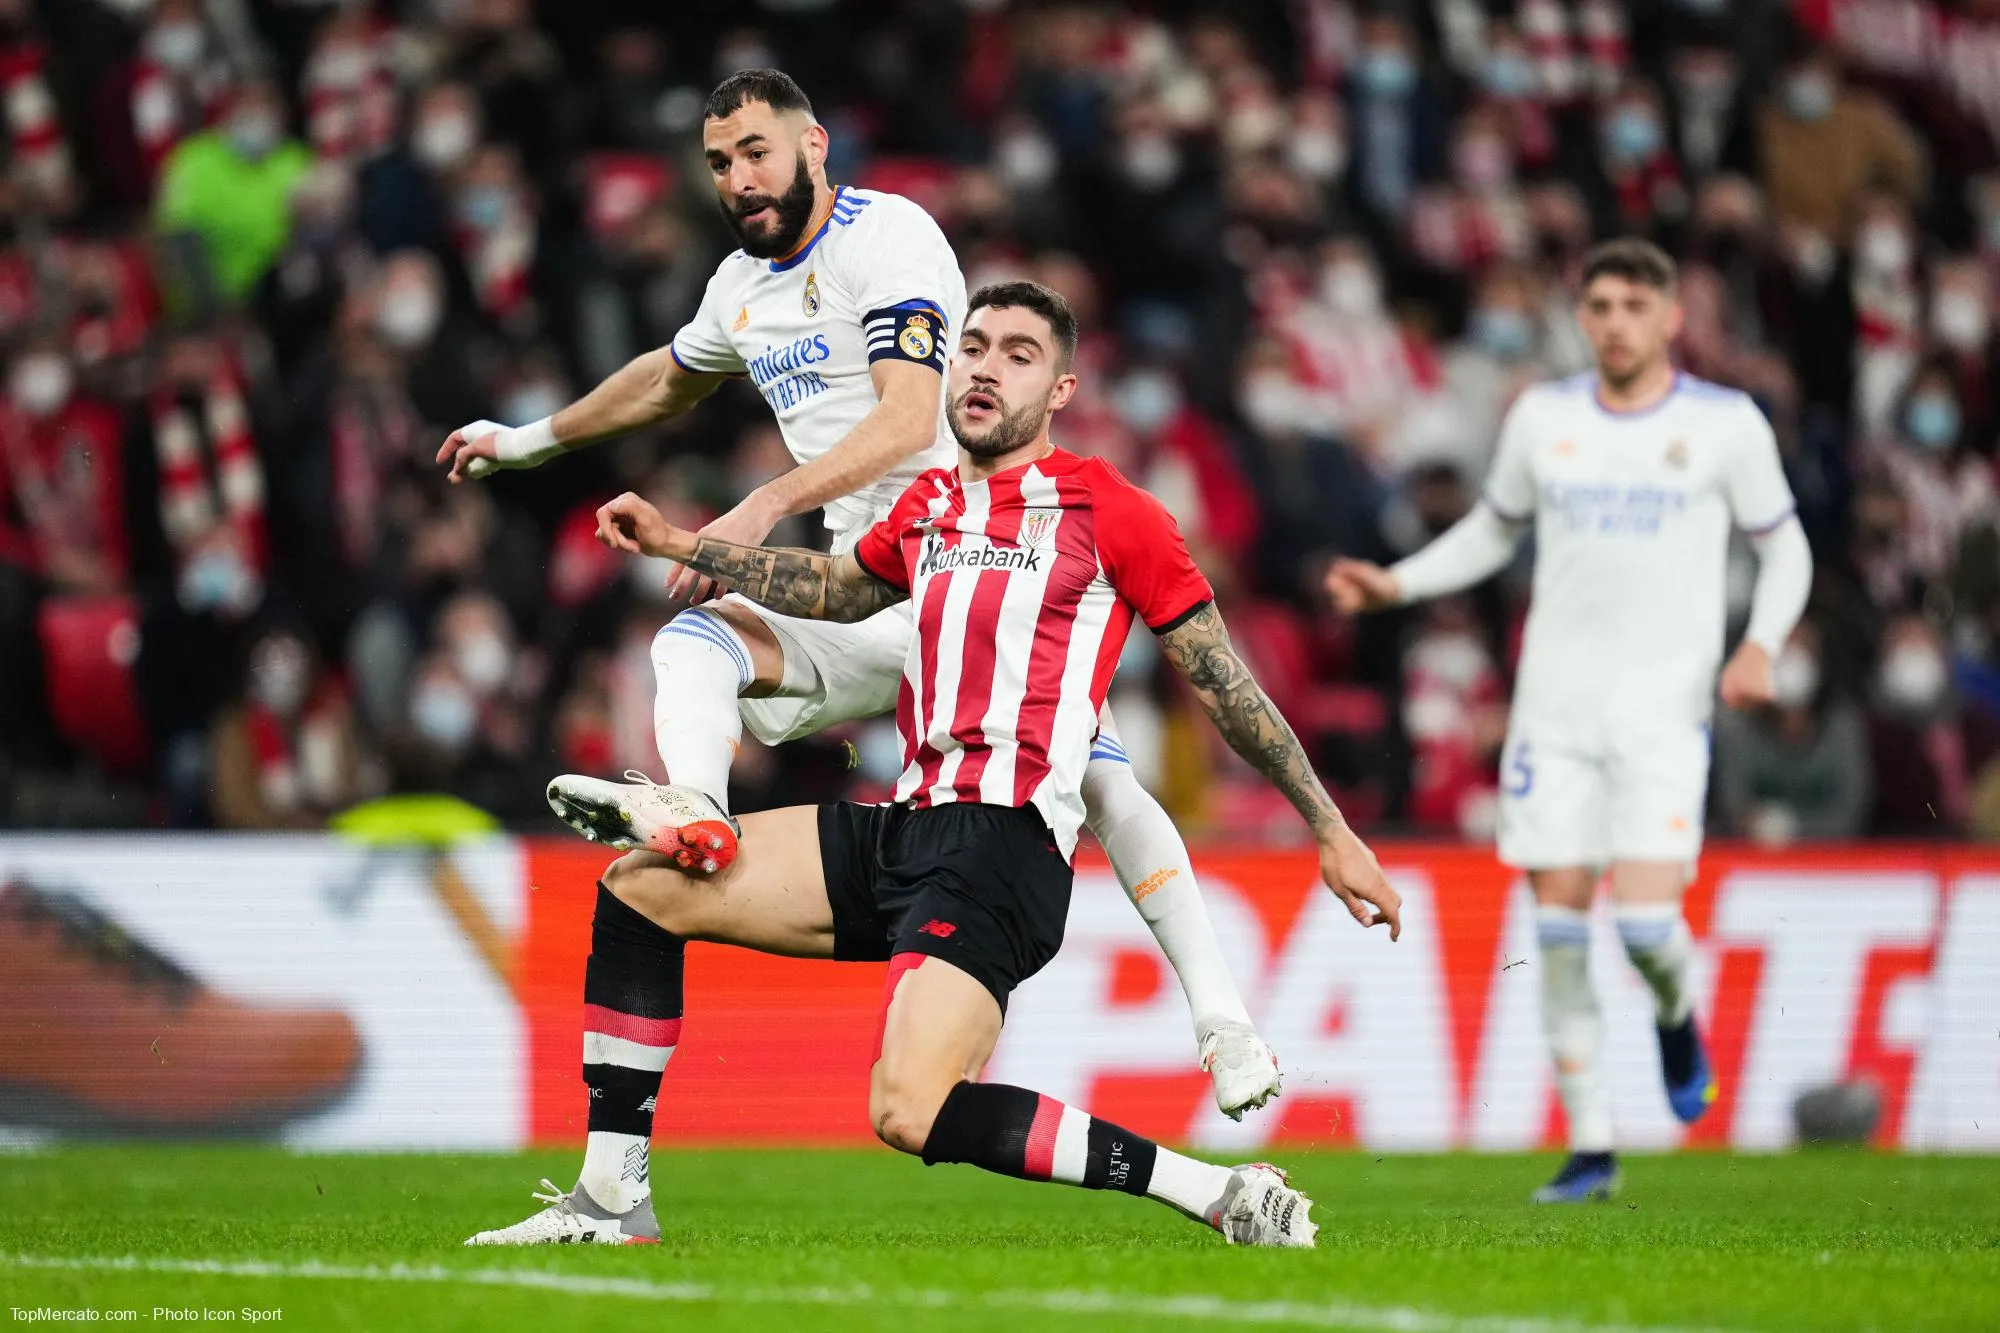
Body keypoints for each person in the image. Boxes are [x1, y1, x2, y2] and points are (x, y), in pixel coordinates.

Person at [466, 282, 1403, 1248]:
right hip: (906, 827)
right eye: (975, 347)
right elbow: (838, 589)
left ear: (1062, 389)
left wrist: (1331, 830)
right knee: (640, 891)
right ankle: (611, 1199)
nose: (986, 368)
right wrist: (681, 542)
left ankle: (1216, 1191)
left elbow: (1228, 689)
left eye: (1019, 355)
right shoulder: (932, 503)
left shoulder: (1113, 511)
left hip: (1002, 847)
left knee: (908, 1107)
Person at [435, 71, 1282, 1139]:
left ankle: (1223, 1022)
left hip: (979, 570)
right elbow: (664, 377)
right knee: (694, 642)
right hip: (862, 587)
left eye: (755, 151)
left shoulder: (889, 240)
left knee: (1100, 777)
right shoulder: (738, 288)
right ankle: (697, 809)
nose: (739, 178)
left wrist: (761, 503)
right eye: (718, 163)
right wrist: (524, 442)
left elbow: (907, 416)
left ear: (813, 146)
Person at [1327, 239, 1813, 1203]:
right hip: (1552, 712)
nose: (1616, 323)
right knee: (1555, 930)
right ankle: (1592, 1144)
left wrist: (1760, 643)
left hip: (1662, 713)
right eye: (1601, 306)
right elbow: (1493, 529)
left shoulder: (1725, 424)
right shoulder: (1544, 418)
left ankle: (1675, 1014)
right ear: (1582, 318)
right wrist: (1399, 582)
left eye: (1635, 305)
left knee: (1645, 925)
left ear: (1671, 318)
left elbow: (1786, 547)